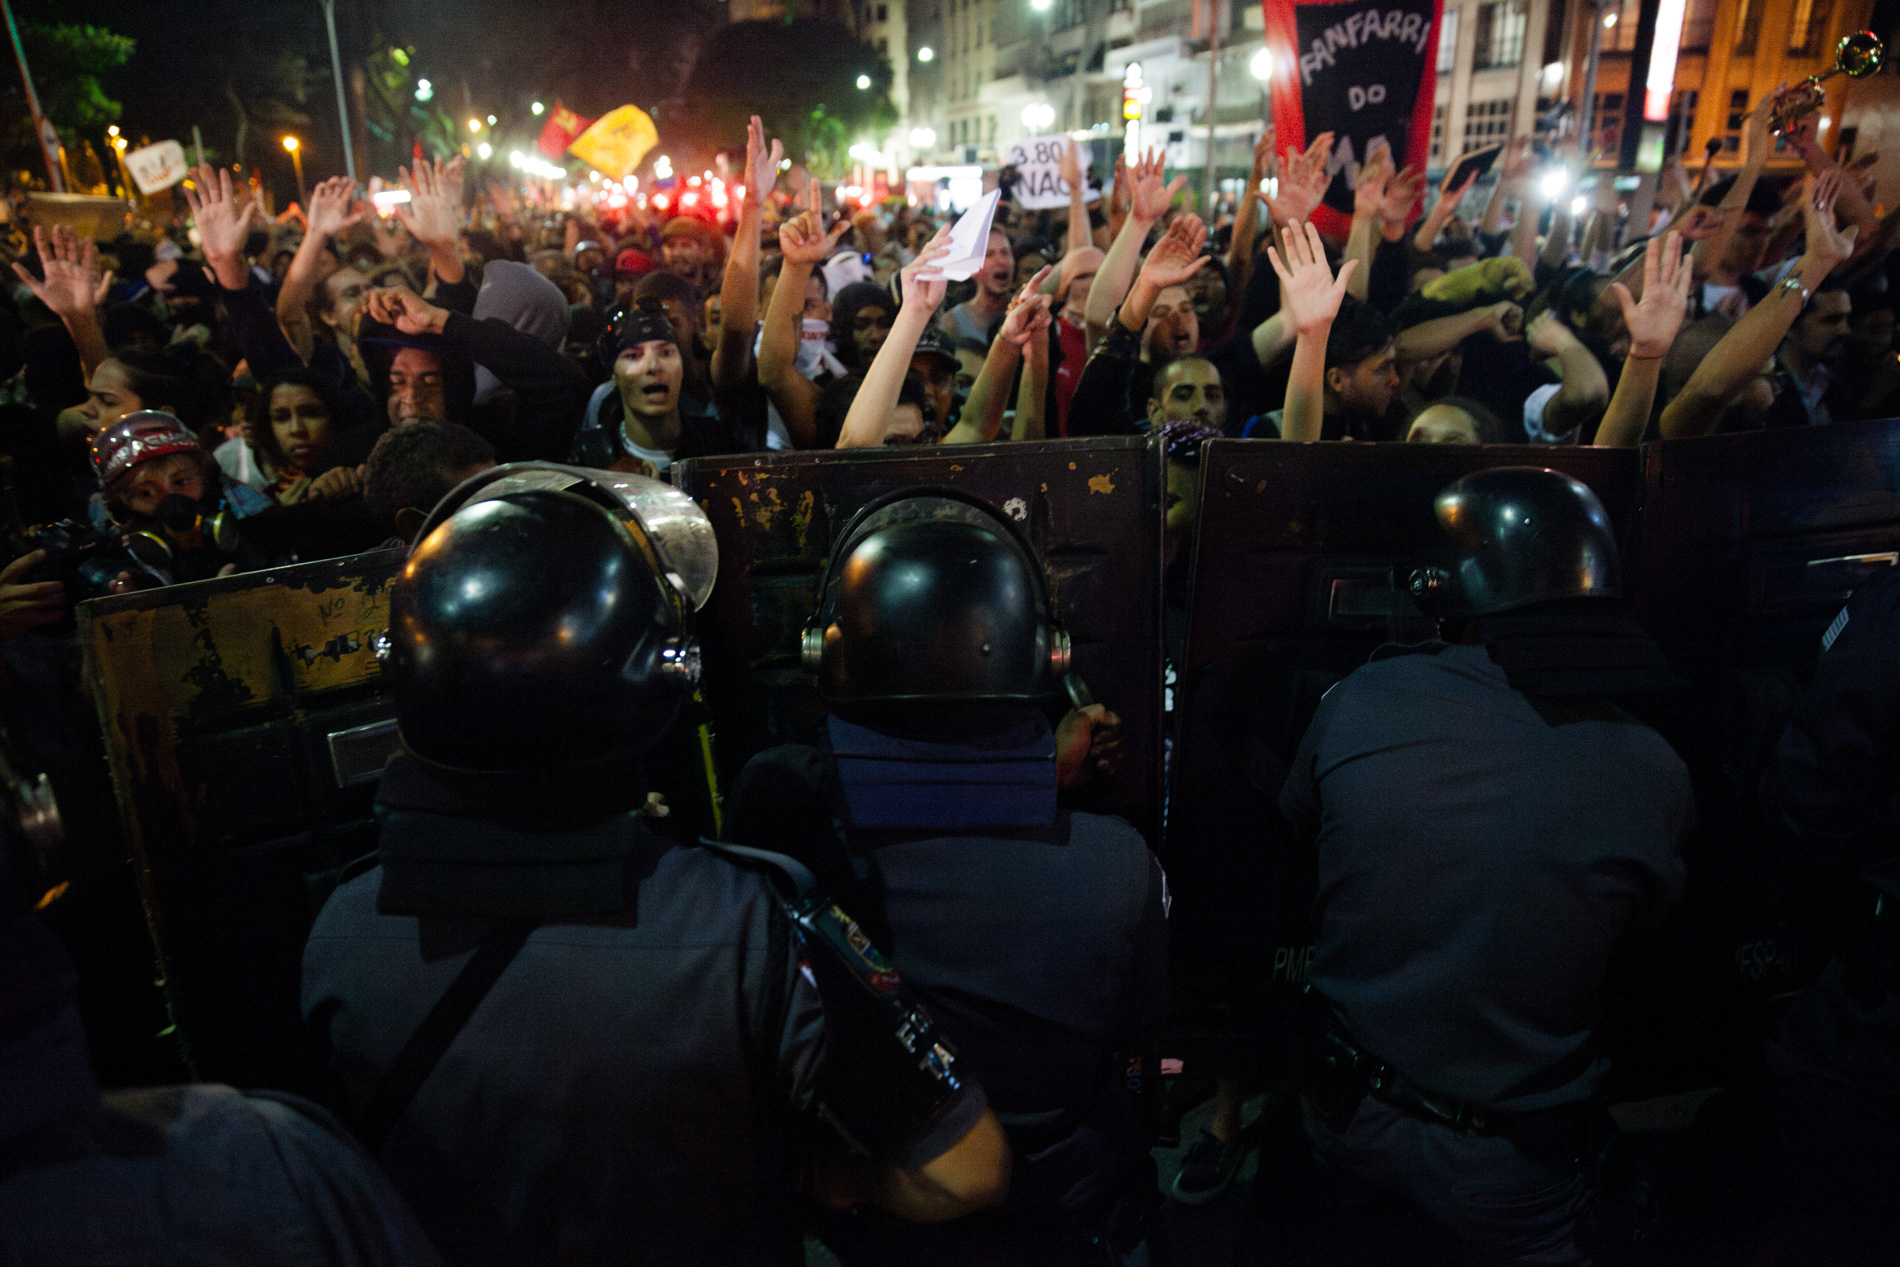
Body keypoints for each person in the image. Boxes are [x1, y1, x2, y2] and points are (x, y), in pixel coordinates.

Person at [303, 469, 1010, 1264]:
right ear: (658, 679)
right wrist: (834, 1177)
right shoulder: (750, 923)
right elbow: (966, 1169)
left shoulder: (338, 935)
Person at [724, 489, 1164, 1264]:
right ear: (1044, 655)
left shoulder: (777, 810)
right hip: (1063, 1213)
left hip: (880, 1218)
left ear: (827, 655)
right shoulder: (1118, 862)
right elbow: (1138, 1030)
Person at [1280, 467, 1690, 1264]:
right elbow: (1646, 930)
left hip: (1349, 1109)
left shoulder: (1361, 699)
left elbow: (1301, 828)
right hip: (1514, 1161)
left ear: (1439, 585)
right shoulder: (1656, 765)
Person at [569, 299, 753, 471]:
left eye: (666, 353)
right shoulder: (591, 457)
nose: (654, 366)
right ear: (614, 374)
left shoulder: (720, 445)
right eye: (633, 356)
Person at [938, 227, 1014, 347]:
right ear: (972, 269)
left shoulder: (1027, 313)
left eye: (1005, 252)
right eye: (989, 255)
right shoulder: (952, 324)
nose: (1001, 261)